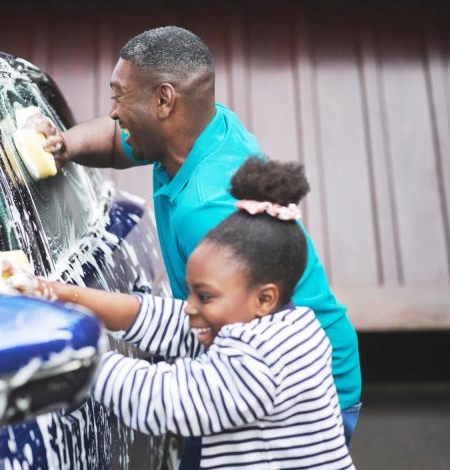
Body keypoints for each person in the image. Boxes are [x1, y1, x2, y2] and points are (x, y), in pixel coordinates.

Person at [32, 25, 362, 444]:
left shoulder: (209, 210)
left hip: (296, 397)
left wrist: (70, 354)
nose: (113, 111)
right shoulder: (196, 131)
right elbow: (117, 140)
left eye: (119, 96)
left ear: (163, 100)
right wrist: (65, 144)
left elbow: (179, 394)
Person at [10, 158, 354, 469]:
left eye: (204, 296)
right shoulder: (289, 324)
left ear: (264, 298)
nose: (190, 306)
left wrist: (73, 352)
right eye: (191, 291)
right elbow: (158, 318)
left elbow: (163, 399)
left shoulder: (257, 359)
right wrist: (64, 294)